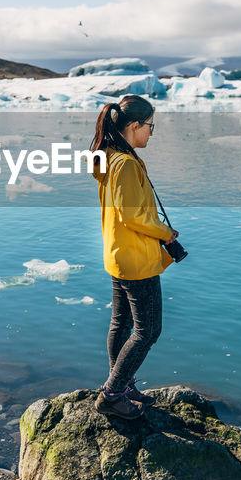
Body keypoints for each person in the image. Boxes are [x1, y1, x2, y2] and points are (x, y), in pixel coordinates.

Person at [89, 94, 178, 419]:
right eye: (151, 127)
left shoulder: (110, 156)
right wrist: (165, 234)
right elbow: (133, 216)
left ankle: (122, 384)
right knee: (147, 331)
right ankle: (112, 395)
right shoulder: (125, 163)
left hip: (118, 253)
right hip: (135, 258)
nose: (152, 134)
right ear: (135, 125)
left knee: (121, 323)